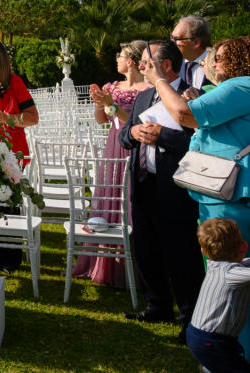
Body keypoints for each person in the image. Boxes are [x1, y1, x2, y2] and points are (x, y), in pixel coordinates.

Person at [148, 35, 250, 358]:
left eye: (217, 57)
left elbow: (181, 113)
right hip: (217, 197)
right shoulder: (229, 91)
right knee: (223, 280)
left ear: (235, 61)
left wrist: (159, 79)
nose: (211, 63)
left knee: (233, 284)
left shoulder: (241, 86)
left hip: (232, 201)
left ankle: (233, 355)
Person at [119, 39, 203, 342]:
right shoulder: (144, 97)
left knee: (181, 254)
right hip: (143, 183)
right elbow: (122, 136)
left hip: (176, 187)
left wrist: (162, 135)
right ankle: (158, 304)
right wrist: (133, 132)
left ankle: (190, 317)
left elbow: (199, 142)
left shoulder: (192, 96)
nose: (140, 66)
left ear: (166, 65)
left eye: (146, 60)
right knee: (145, 247)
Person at [76, 39, 150, 286]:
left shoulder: (148, 89)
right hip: (113, 147)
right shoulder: (113, 85)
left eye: (119, 55)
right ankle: (107, 262)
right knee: (109, 196)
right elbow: (100, 120)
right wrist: (99, 102)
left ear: (130, 61)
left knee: (132, 200)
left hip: (136, 148)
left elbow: (134, 124)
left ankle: (138, 266)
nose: (116, 59)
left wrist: (112, 105)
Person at [0, 39, 39, 273]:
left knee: (7, 204)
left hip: (11, 152)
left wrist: (7, 119)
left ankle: (7, 260)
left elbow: (33, 117)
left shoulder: (14, 83)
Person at [187, 218, 250, 373]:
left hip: (199, 336)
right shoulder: (230, 274)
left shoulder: (214, 266)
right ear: (243, 246)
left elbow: (243, 264)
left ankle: (209, 367)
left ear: (204, 251)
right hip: (211, 341)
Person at [173, 15, 213, 90]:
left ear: (196, 43)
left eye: (177, 39)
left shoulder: (217, 63)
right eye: (172, 38)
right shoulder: (172, 64)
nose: (172, 43)